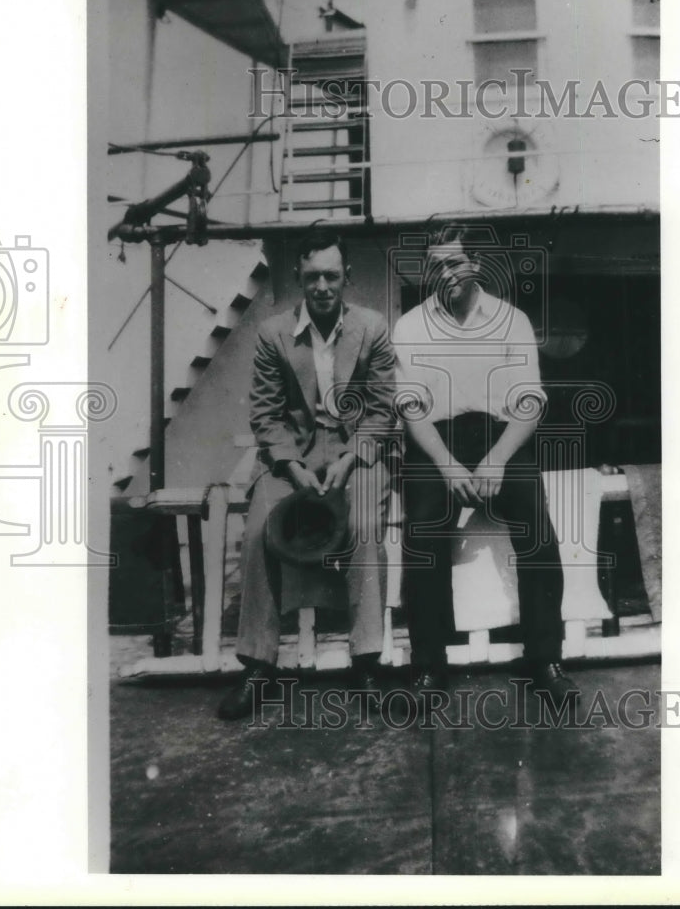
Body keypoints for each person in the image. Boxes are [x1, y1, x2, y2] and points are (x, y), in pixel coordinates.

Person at [391, 227, 579, 707]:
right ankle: (429, 666)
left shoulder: (511, 320)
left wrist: (496, 459)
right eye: (436, 266)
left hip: (501, 439)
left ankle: (545, 659)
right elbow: (412, 408)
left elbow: (530, 402)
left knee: (538, 531)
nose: (445, 274)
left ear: (475, 262)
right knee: (423, 533)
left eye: (453, 263)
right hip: (438, 442)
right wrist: (448, 467)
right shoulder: (411, 325)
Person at [217, 233, 395, 720]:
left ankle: (365, 662)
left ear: (346, 279)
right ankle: (257, 666)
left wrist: (349, 460)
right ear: (298, 276)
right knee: (258, 533)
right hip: (291, 455)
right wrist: (293, 467)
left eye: (331, 277)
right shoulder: (274, 333)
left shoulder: (372, 328)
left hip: (354, 453)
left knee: (362, 529)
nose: (321, 286)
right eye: (312, 276)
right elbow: (266, 416)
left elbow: (380, 413)